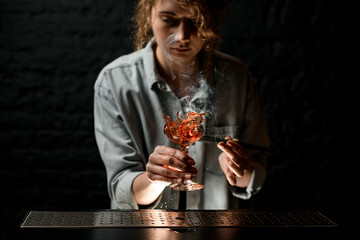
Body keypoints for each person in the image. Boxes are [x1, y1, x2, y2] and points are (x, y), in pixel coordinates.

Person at [94, 0, 269, 210]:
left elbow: (255, 176)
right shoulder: (114, 82)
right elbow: (120, 185)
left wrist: (240, 171)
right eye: (169, 20)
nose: (182, 37)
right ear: (149, 13)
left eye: (196, 21)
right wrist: (153, 179)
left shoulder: (237, 78)